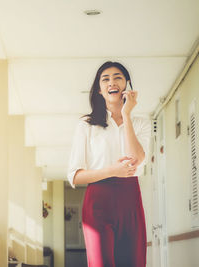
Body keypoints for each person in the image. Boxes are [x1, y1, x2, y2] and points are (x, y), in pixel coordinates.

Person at [67, 61, 151, 267]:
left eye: (117, 77)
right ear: (99, 89)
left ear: (127, 85)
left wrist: (126, 116)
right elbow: (75, 176)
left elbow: (137, 159)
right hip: (98, 201)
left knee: (133, 262)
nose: (111, 82)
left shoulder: (142, 123)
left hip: (130, 199)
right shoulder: (86, 125)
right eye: (105, 79)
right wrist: (113, 170)